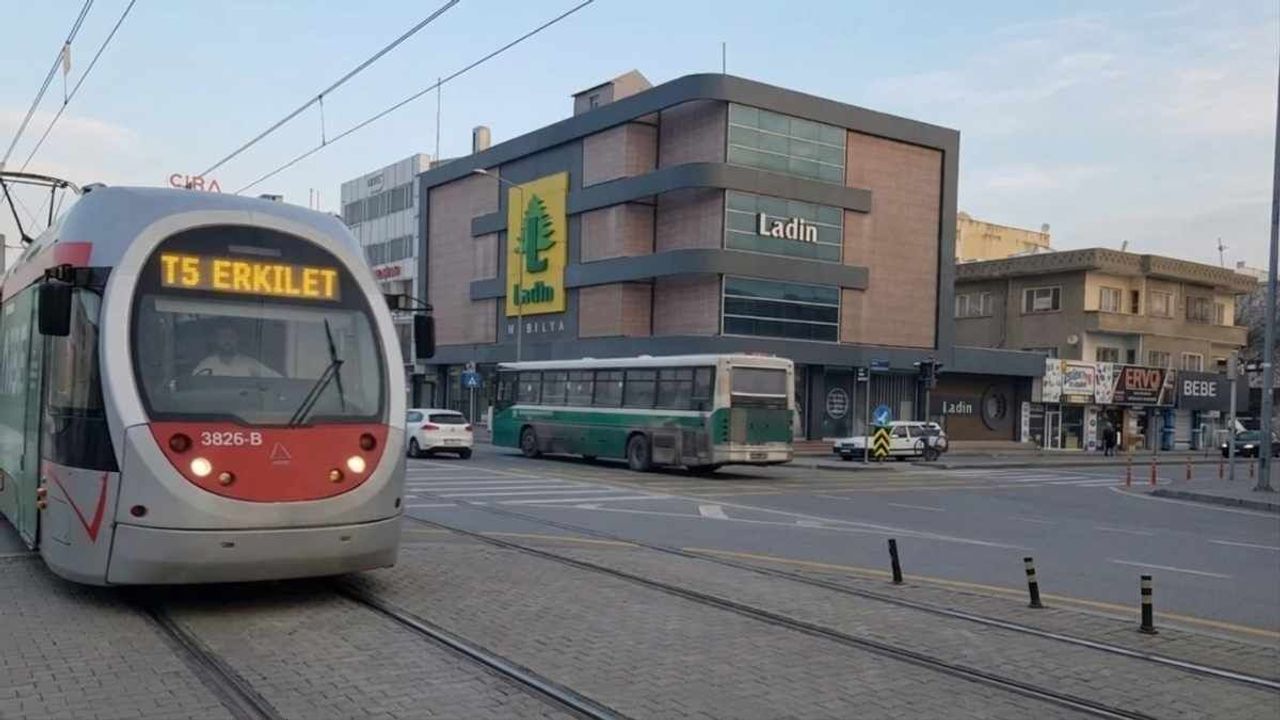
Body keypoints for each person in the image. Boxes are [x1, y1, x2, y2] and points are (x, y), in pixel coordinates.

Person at [192, 324, 280, 378]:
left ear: (238, 339)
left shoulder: (250, 363)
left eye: (231, 336)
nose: (227, 340)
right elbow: (194, 386)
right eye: (223, 336)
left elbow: (276, 379)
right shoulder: (206, 364)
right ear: (216, 340)